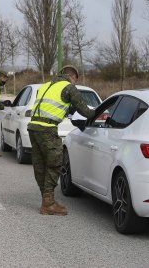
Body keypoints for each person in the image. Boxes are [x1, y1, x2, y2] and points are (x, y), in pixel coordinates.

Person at [27, 65, 95, 216]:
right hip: (47, 129)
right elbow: (85, 111)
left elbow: (53, 105)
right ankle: (48, 203)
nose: (75, 84)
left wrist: (68, 109)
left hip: (33, 127)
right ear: (72, 77)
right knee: (55, 163)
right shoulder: (69, 87)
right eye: (75, 81)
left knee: (40, 165)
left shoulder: (46, 86)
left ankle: (46, 199)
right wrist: (98, 113)